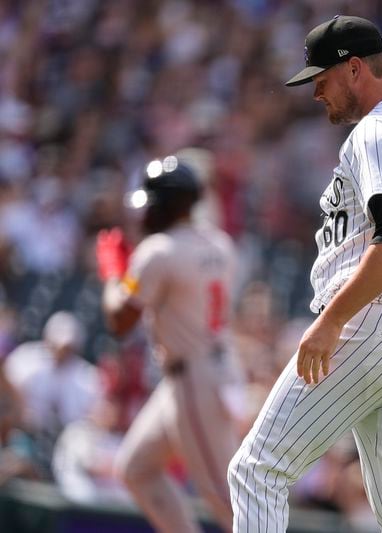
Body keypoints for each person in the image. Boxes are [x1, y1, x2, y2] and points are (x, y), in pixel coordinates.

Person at [228, 15, 382, 532]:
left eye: (321, 77)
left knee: (256, 470)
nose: (315, 91)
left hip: (379, 321)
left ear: (354, 69)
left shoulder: (379, 128)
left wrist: (333, 320)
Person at [96, 155, 239, 533]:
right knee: (137, 469)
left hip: (193, 378)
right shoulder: (217, 241)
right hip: (211, 369)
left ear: (166, 206)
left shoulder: (158, 250)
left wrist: (114, 275)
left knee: (226, 500)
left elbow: (119, 321)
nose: (142, 214)